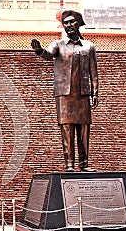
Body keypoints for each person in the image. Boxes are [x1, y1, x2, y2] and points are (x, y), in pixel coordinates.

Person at [31, 10, 99, 172]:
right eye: (66, 23)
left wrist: (95, 92)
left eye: (71, 22)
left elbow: (93, 71)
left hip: (83, 93)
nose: (68, 25)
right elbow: (48, 55)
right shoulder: (57, 44)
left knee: (83, 129)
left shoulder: (89, 47)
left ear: (79, 24)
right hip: (64, 94)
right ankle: (69, 165)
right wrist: (39, 50)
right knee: (67, 128)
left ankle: (84, 165)